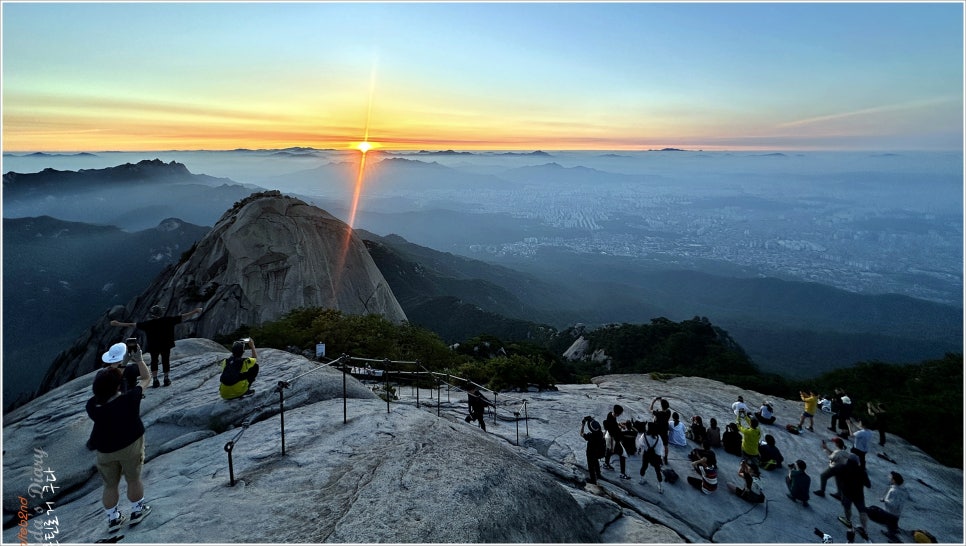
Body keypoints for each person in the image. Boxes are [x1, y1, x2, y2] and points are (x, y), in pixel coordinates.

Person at [86, 347, 152, 533]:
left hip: (105, 450)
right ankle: (137, 511)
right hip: (130, 444)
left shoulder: (92, 406)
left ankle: (113, 519)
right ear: (117, 386)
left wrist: (118, 368)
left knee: (110, 485)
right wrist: (139, 360)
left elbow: (107, 391)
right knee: (133, 479)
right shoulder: (129, 399)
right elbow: (146, 378)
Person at [111, 304, 203, 387]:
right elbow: (183, 316)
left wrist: (118, 324)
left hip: (153, 346)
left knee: (154, 361)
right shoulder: (168, 320)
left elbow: (132, 325)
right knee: (165, 360)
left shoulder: (147, 324)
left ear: (151, 315)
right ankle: (166, 379)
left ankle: (155, 380)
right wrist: (195, 311)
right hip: (166, 344)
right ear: (160, 313)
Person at [837, 454, 871, 540]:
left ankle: (848, 521)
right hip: (858, 495)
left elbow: (839, 478)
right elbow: (868, 485)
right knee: (862, 511)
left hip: (846, 493)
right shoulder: (861, 471)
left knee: (847, 509)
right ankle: (864, 529)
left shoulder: (843, 468)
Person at [867, 471, 908, 542]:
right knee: (873, 507)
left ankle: (892, 535)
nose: (889, 479)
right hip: (896, 516)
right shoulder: (904, 491)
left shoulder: (894, 490)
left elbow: (893, 505)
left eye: (891, 478)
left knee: (870, 510)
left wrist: (884, 500)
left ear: (894, 480)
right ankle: (892, 530)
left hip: (889, 515)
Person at [636, 421, 665, 493]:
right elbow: (660, 448)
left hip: (646, 454)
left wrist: (641, 449)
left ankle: (642, 479)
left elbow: (640, 444)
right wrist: (660, 458)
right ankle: (660, 487)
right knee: (657, 470)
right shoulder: (658, 437)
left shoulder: (644, 435)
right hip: (655, 456)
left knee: (644, 466)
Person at [603, 405, 631, 479]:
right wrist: (613, 447)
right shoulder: (611, 422)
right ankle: (622, 474)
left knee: (608, 451)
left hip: (608, 436)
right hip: (613, 439)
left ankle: (606, 464)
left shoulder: (610, 414)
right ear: (618, 413)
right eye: (621, 413)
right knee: (622, 455)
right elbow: (612, 436)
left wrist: (619, 425)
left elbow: (613, 424)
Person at [580, 416, 606, 485]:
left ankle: (593, 480)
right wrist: (590, 419)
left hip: (590, 452)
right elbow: (595, 426)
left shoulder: (590, 436)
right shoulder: (600, 433)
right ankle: (599, 475)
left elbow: (581, 434)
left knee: (591, 466)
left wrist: (583, 425)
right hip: (597, 451)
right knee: (596, 462)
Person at [649, 397, 672, 465]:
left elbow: (650, 409)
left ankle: (657, 457)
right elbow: (665, 406)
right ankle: (665, 458)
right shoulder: (668, 412)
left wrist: (653, 401)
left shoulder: (658, 413)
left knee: (656, 444)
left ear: (662, 406)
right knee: (666, 445)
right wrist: (662, 400)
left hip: (658, 430)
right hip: (665, 430)